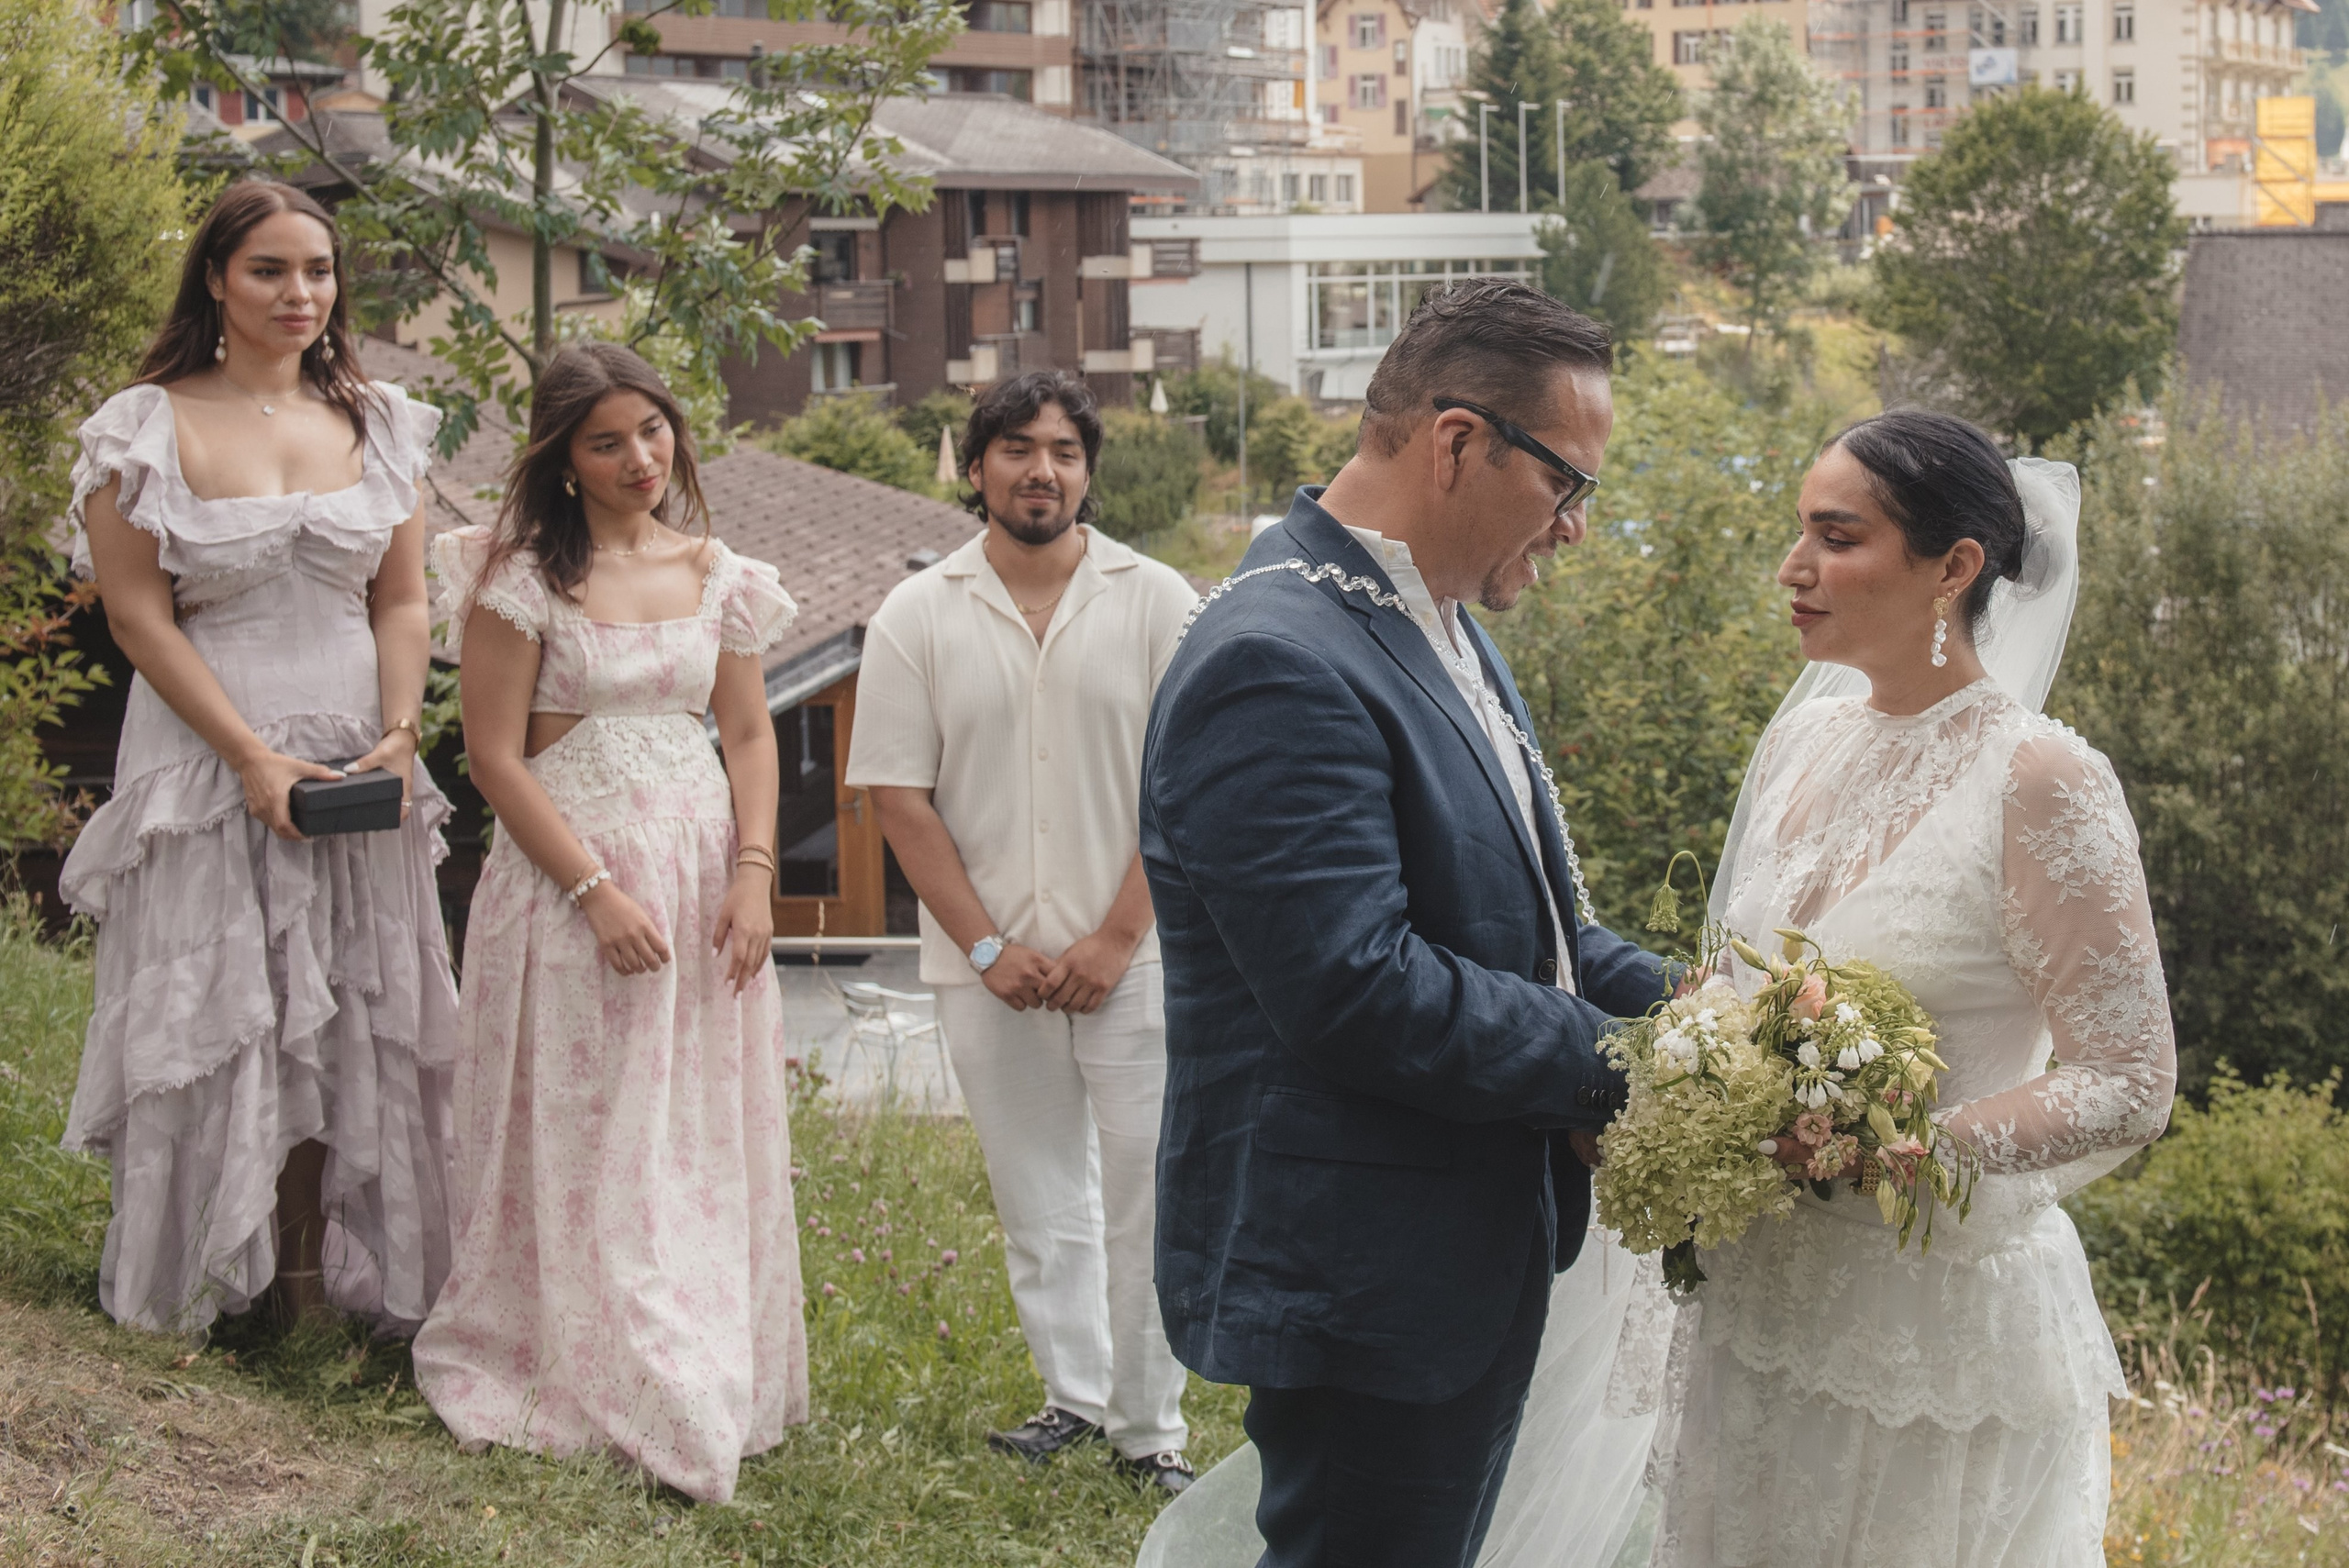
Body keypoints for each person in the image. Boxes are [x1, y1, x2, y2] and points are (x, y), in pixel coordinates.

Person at [1138, 280, 1671, 1568]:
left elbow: (1535, 928)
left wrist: (1707, 1016)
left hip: (1452, 1250)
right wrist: (1637, 1067)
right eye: (1569, 483)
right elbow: (1358, 989)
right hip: (1366, 1269)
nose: (1577, 528)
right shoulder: (1276, 655)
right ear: (1456, 441)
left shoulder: (1432, 618)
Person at [1636, 413, 2175, 1565]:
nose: (1793, 569)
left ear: (1955, 566)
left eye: (1836, 537)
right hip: (1756, 1305)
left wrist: (1892, 1149)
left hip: (1928, 1339)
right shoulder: (1803, 743)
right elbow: (1741, 980)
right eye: (1799, 533)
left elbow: (2129, 1080)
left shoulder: (2041, 779)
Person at [59, 178, 459, 1335]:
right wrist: (247, 755)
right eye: (271, 270)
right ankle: (217, 1274)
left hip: (352, 741)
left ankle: (317, 1276)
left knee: (352, 1000)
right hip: (205, 743)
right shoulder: (143, 424)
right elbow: (138, 617)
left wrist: (397, 727)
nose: (301, 293)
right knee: (227, 1006)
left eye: (319, 271)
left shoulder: (381, 420)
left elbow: (404, 596)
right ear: (216, 282)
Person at [411, 342, 807, 1504]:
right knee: (587, 1120)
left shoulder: (717, 571)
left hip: (699, 880)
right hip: (569, 889)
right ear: (563, 458)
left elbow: (744, 732)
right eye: (606, 440)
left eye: (652, 430)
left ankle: (698, 1346)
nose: (640, 458)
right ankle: (601, 1360)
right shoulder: (519, 573)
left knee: (685, 1122)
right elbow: (491, 754)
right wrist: (594, 890)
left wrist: (752, 870)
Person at [844, 371, 1203, 1494]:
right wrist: (991, 947)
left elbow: (1184, 786)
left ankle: (1152, 1432)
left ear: (1088, 471)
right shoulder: (917, 613)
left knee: (1148, 1187)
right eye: (1014, 448)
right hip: (985, 965)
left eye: (1060, 450)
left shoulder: (1158, 601)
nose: (1038, 469)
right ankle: (1075, 1401)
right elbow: (899, 794)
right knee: (1036, 1190)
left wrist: (1111, 938)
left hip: (1135, 959)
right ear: (974, 467)